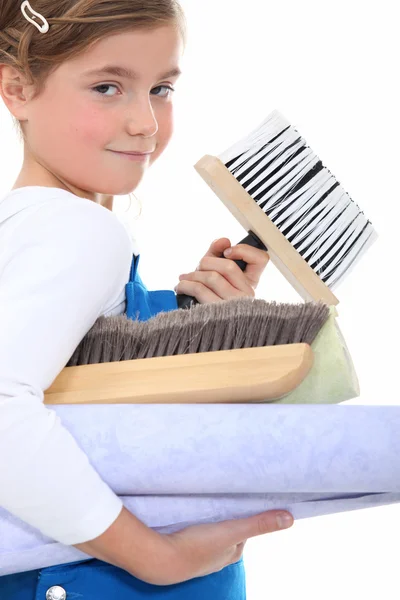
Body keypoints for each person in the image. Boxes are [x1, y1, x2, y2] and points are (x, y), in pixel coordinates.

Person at [0, 1, 294, 597]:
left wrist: (188, 329)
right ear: (17, 89)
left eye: (161, 88)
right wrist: (153, 556)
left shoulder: (32, 229)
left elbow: (81, 388)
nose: (145, 122)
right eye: (108, 87)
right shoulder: (81, 231)